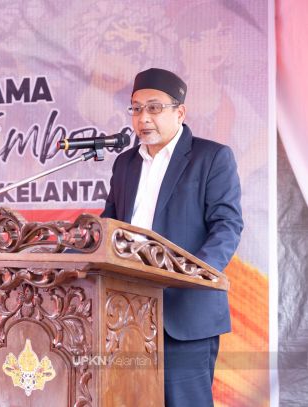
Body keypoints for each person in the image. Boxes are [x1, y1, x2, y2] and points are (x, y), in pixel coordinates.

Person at [102, 68, 243, 406]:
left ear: (180, 113)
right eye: (136, 108)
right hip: (127, 314)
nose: (143, 118)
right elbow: (110, 223)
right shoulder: (125, 164)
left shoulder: (211, 158)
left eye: (154, 108)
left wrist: (192, 274)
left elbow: (227, 225)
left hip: (184, 312)